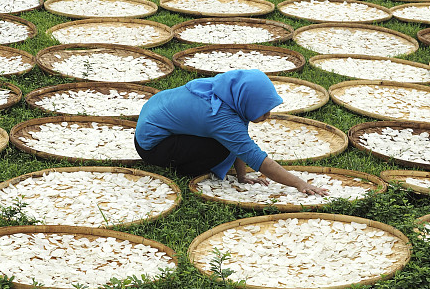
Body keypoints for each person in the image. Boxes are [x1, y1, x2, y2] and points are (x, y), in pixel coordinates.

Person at [134, 69, 328, 196]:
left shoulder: (227, 90)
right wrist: (300, 184)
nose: (267, 115)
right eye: (263, 109)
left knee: (227, 143)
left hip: (155, 121)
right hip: (151, 145)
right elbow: (256, 158)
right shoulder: (218, 115)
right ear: (246, 100)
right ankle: (184, 168)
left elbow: (238, 139)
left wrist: (241, 176)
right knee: (219, 149)